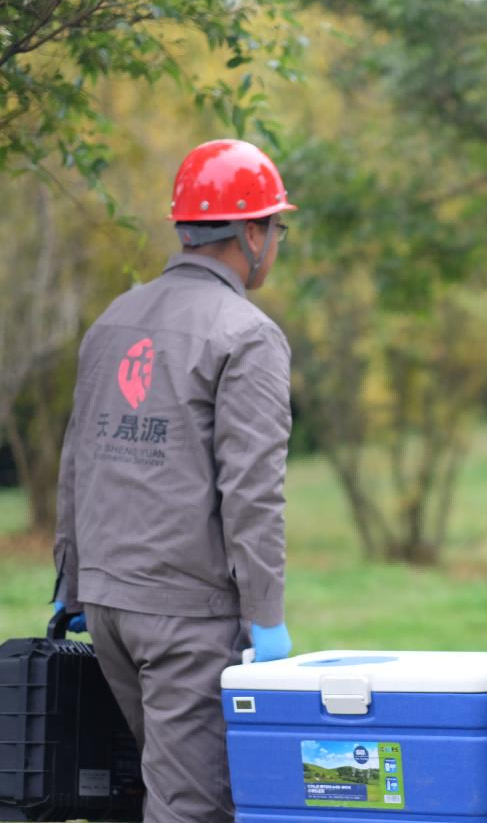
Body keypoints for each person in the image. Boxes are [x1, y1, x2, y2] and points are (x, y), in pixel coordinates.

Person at [52, 139, 297, 823]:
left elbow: (77, 462)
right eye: (276, 228)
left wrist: (72, 586)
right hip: (187, 621)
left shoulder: (113, 320)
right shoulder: (246, 335)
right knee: (192, 806)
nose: (275, 243)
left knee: (154, 794)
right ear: (251, 234)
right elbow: (252, 492)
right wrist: (267, 618)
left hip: (107, 607)